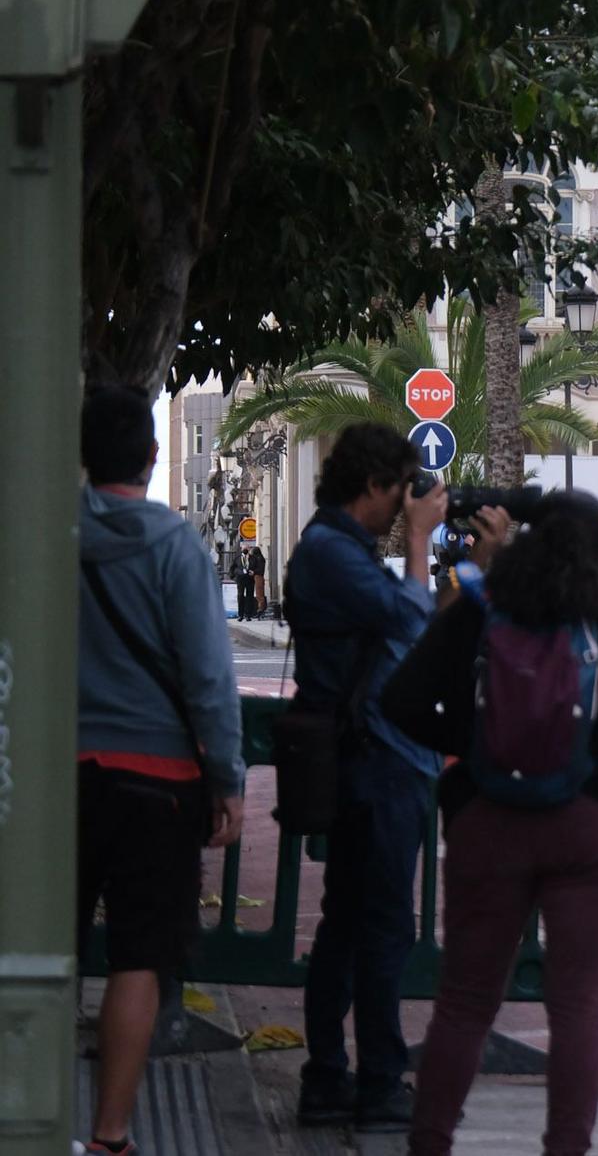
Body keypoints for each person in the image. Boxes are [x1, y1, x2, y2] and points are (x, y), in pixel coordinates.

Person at [382, 491, 598, 1156]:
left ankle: (429, 1141)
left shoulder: (483, 612)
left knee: (465, 999)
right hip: (592, 826)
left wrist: (473, 741)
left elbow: (401, 699)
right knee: (579, 1003)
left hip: (490, 821)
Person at [76, 385, 246, 1156]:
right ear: (151, 456)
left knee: (45, 948)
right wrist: (227, 778)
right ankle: (111, 1134)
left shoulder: (49, 535)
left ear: (83, 455)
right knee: (139, 956)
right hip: (159, 780)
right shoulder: (177, 547)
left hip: (58, 777)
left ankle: (29, 1110)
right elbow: (209, 678)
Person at [285, 423, 450, 1132]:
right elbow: (408, 623)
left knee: (350, 926)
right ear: (375, 486)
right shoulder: (331, 553)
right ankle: (375, 1081)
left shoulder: (337, 550)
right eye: (400, 491)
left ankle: (329, 1076)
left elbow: (415, 624)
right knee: (379, 930)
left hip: (370, 760)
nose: (403, 506)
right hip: (373, 764)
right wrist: (420, 544)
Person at [233, 550, 255, 620]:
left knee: (249, 597)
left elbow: (257, 567)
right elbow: (233, 568)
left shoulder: (253, 558)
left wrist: (254, 572)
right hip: (240, 579)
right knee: (240, 596)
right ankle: (240, 615)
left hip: (250, 579)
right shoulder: (237, 558)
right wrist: (235, 575)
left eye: (247, 546)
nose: (245, 547)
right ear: (241, 548)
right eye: (244, 546)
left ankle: (248, 615)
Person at [248, 544, 269, 618]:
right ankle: (260, 609)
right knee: (258, 594)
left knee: (259, 594)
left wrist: (254, 572)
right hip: (258, 576)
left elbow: (260, 569)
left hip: (258, 577)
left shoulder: (259, 559)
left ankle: (260, 609)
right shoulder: (260, 558)